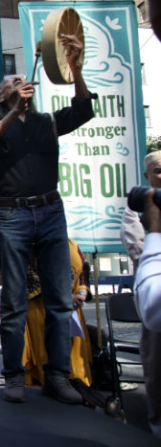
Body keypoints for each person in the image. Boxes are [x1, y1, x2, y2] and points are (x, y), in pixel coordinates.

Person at [0, 33, 93, 405]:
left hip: (51, 210)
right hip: (12, 215)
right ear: (1, 96)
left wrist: (75, 68)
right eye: (11, 81)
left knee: (60, 298)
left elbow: (84, 110)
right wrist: (14, 112)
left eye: (21, 81)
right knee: (14, 300)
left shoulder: (46, 121)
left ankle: (58, 375)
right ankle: (14, 375)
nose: (19, 82)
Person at [121, 150, 161, 438]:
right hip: (151, 287)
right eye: (157, 170)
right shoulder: (140, 206)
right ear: (147, 175)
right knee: (156, 364)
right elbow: (136, 244)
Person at [23, 240, 92, 388]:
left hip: (73, 310)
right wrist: (64, 298)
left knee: (75, 354)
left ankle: (81, 389)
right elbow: (31, 278)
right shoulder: (30, 245)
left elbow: (84, 269)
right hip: (41, 308)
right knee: (48, 352)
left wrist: (83, 290)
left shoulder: (72, 245)